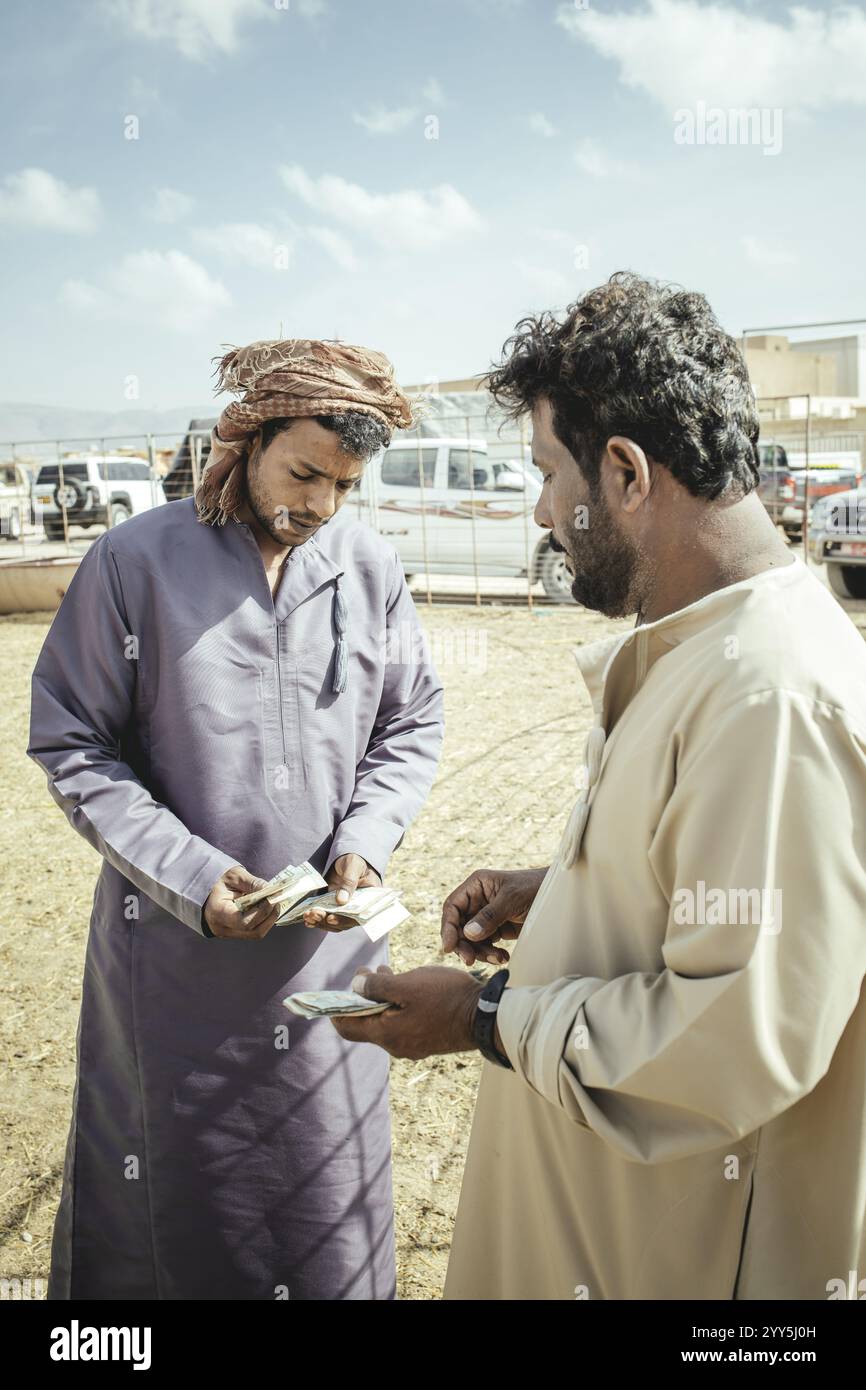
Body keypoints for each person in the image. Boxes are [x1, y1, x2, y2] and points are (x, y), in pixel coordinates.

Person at [332, 274, 866, 1300]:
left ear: (621, 471)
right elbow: (713, 891)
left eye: (544, 473)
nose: (540, 511)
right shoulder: (711, 654)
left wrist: (479, 1018)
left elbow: (732, 1041)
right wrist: (564, 890)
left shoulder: (769, 698)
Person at [28, 337, 444, 1301]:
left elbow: (410, 719)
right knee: (170, 1208)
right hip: (173, 961)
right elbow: (73, 741)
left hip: (327, 969)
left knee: (323, 1203)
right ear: (246, 439)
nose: (320, 505)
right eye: (303, 473)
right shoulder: (136, 562)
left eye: (344, 484)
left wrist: (366, 847)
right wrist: (189, 876)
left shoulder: (368, 567)